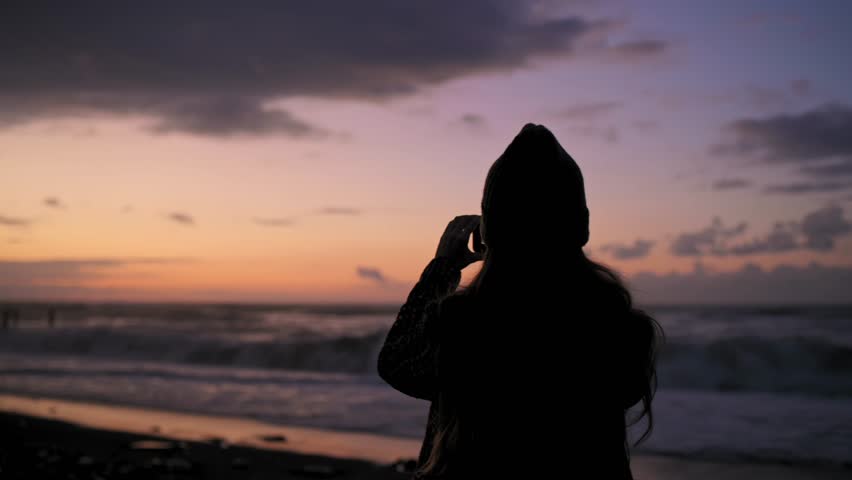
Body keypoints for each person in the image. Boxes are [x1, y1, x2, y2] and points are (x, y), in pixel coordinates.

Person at [378, 124, 662, 479]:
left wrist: (442, 269)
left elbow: (396, 364)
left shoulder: (463, 326)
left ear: (486, 233)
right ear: (583, 226)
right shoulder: (621, 329)